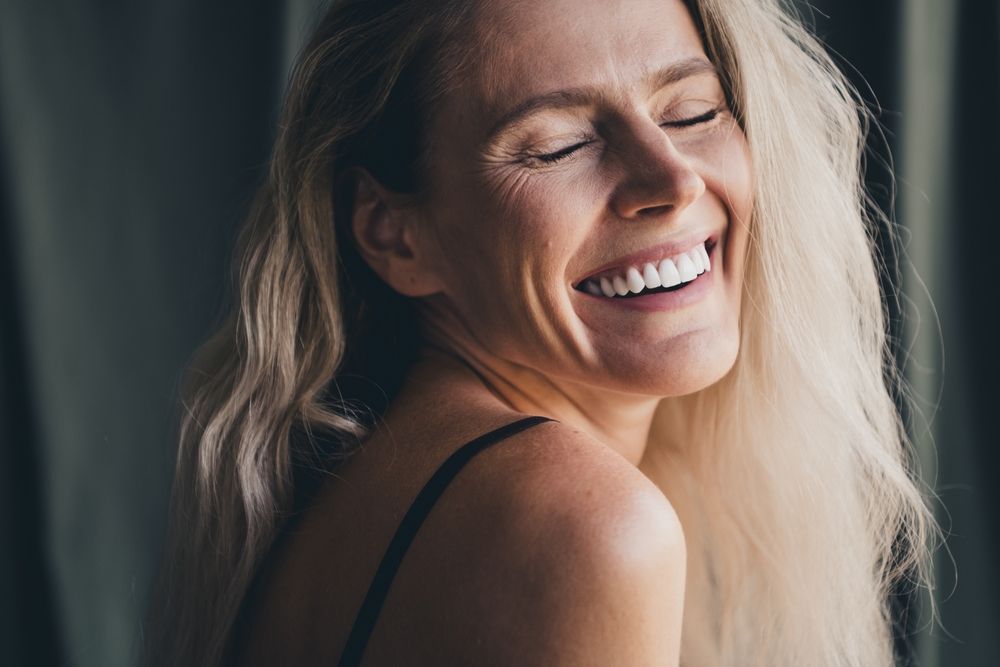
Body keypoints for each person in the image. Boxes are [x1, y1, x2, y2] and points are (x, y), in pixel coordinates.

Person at [144, 0, 938, 664]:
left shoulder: (378, 471)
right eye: (558, 145)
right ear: (395, 235)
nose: (672, 178)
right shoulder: (587, 532)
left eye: (691, 110)